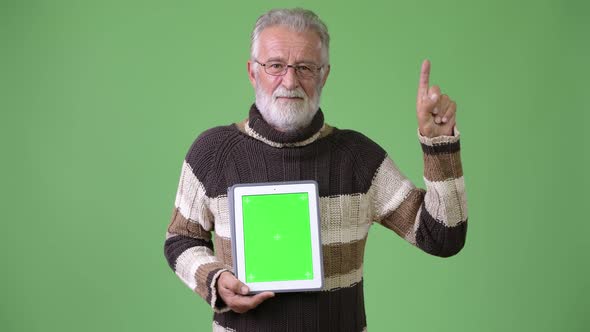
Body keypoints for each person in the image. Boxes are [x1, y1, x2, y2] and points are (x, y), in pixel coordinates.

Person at [163, 8, 468, 332]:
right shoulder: (213, 153)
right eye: (276, 65)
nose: (290, 81)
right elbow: (181, 239)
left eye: (305, 67)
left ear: (323, 75)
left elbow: (443, 237)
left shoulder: (358, 158)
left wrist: (440, 146)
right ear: (253, 72)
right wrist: (215, 279)